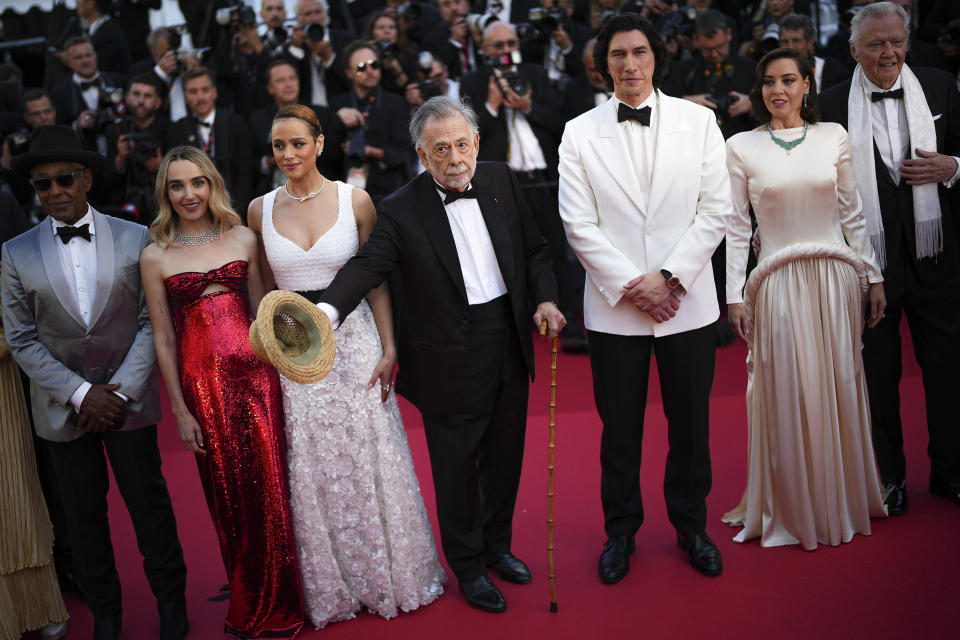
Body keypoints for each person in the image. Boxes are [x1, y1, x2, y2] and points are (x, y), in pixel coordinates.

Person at [318, 95, 563, 613]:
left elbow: (538, 249)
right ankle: (469, 567)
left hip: (508, 338)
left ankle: (497, 546)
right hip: (448, 355)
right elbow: (367, 267)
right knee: (456, 468)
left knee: (504, 456)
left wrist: (545, 298)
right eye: (440, 150)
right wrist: (324, 313)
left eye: (461, 145)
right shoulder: (401, 208)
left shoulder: (501, 181)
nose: (455, 159)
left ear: (476, 142)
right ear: (421, 155)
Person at [247, 105, 445, 629]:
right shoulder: (258, 210)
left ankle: (389, 577)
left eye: (296, 143)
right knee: (313, 466)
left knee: (369, 453)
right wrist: (270, 351)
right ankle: (332, 588)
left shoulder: (354, 199)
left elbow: (376, 278)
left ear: (319, 143)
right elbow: (262, 291)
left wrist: (388, 345)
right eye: (277, 146)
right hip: (295, 352)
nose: (286, 154)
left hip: (355, 341)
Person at [558, 13, 731, 583]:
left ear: (655, 57)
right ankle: (620, 533)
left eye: (638, 52)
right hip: (616, 310)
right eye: (617, 55)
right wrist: (638, 287)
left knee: (691, 426)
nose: (629, 64)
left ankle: (691, 525)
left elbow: (716, 211)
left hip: (687, 305)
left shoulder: (699, 122)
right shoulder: (579, 131)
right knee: (620, 431)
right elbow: (578, 224)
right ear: (603, 64)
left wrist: (670, 279)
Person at [1, 125, 188, 640]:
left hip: (129, 402)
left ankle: (172, 603)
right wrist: (82, 394)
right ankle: (107, 615)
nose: (55, 192)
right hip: (63, 410)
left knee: (149, 508)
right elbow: (20, 339)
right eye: (42, 185)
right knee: (84, 523)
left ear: (86, 179)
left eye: (64, 179)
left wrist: (119, 391)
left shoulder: (135, 236)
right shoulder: (15, 252)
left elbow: (154, 321)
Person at [722, 47, 888, 549]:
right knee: (787, 388)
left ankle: (841, 498)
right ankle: (791, 505)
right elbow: (734, 226)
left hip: (834, 281)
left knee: (839, 380)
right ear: (760, 89)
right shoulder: (741, 147)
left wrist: (873, 276)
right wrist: (734, 295)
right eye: (770, 82)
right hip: (775, 284)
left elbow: (852, 213)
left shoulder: (832, 136)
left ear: (807, 84)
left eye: (789, 80)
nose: (778, 90)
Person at [139, 146, 304, 638]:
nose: (189, 194)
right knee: (228, 494)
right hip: (203, 390)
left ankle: (284, 603)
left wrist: (288, 370)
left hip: (258, 381)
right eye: (177, 185)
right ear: (165, 193)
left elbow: (263, 311)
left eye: (197, 182)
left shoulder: (244, 238)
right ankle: (249, 598)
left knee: (272, 489)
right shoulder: (155, 255)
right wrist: (179, 410)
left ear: (212, 184)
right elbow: (163, 337)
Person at [819, 1, 960, 514]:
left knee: (946, 368)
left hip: (936, 254)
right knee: (878, 374)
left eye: (896, 41)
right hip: (868, 263)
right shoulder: (830, 104)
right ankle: (890, 478)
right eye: (876, 44)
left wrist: (953, 166)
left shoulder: (940, 84)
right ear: (854, 50)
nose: (889, 53)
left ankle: (949, 472)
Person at [0, 192, 68, 640]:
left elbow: (21, 314)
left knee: (13, 492)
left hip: (3, 380)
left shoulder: (3, 207)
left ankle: (31, 604)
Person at [330, 41, 412, 202]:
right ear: (349, 73)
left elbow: (405, 154)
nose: (370, 71)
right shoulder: (338, 104)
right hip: (345, 195)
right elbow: (327, 153)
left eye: (374, 65)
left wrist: (371, 151)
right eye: (361, 67)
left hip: (389, 194)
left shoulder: (396, 103)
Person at [167, 67, 253, 216]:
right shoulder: (177, 130)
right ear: (186, 97)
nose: (200, 97)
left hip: (234, 208)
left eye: (205, 90)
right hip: (195, 211)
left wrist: (236, 211)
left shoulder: (235, 123)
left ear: (214, 92)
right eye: (193, 92)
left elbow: (245, 173)